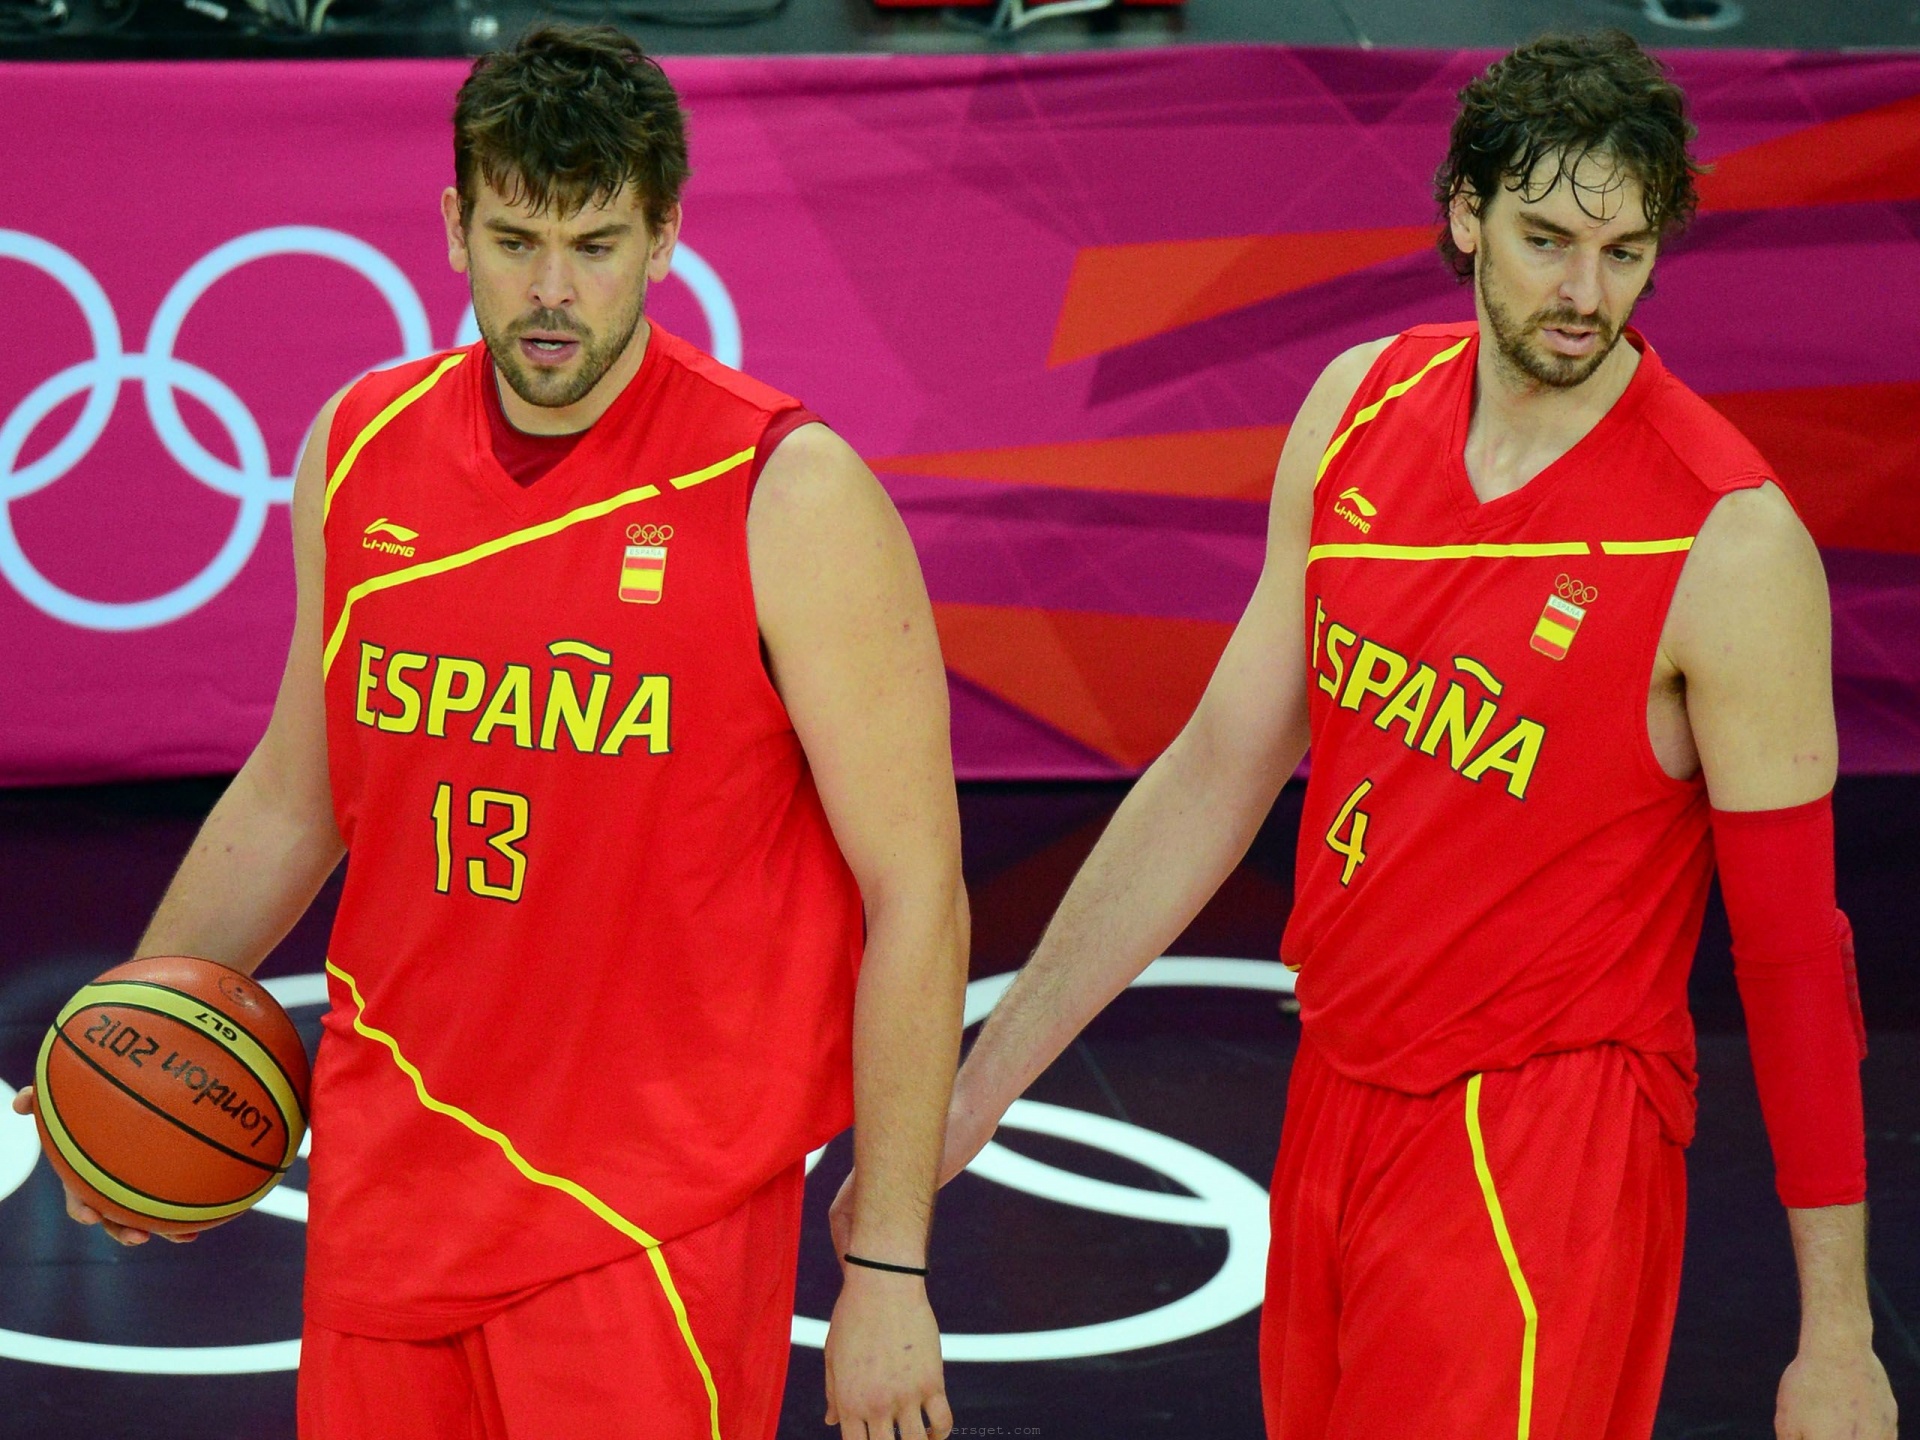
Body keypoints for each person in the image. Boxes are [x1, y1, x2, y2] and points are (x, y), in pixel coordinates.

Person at [838, 31, 1897, 1440]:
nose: (1584, 295)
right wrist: (978, 1094)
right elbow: (1217, 771)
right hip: (1338, 1088)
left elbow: (1790, 955)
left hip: (1541, 1147)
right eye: (1544, 239)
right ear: (1465, 210)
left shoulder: (1730, 545)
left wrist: (1839, 1335)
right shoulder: (1358, 408)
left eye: (1626, 253)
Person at [15, 24, 965, 1440]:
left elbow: (918, 893)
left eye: (595, 244)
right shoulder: (358, 445)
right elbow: (294, 794)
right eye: (515, 237)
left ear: (663, 237)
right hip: (391, 1175)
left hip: (648, 1214)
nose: (551, 292)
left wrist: (889, 1259)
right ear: (454, 222)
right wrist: (130, 1038)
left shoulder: (789, 493)